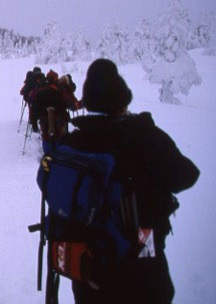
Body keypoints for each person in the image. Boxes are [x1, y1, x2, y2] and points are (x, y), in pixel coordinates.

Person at [60, 58, 199, 304]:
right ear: (122, 101)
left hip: (89, 271)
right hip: (141, 258)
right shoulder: (143, 137)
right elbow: (187, 175)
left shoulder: (72, 143)